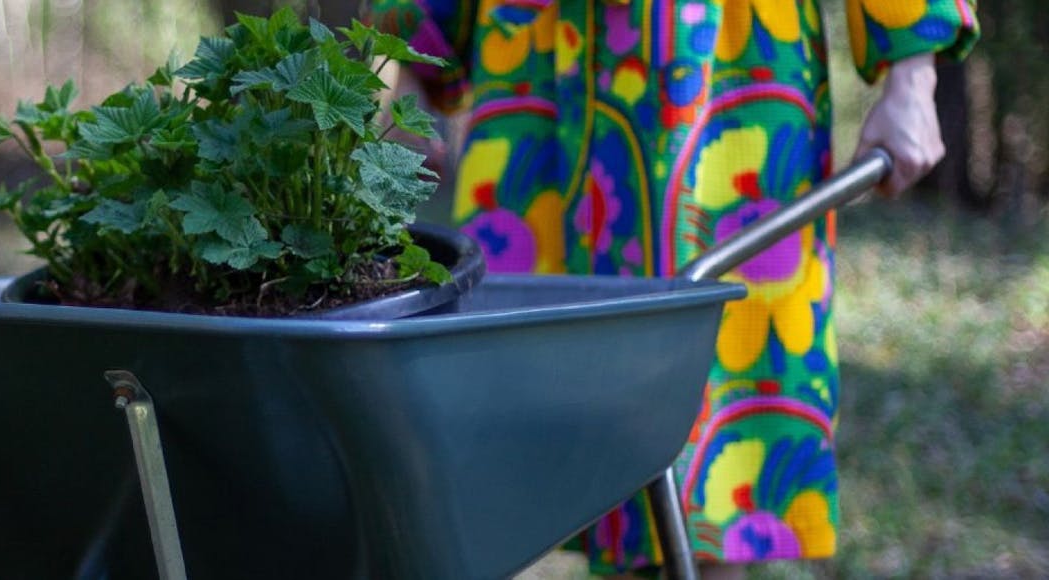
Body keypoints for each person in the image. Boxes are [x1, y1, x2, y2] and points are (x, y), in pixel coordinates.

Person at [368, 0, 978, 577]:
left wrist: (913, 74)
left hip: (730, 76)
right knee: (550, 407)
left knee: (728, 419)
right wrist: (415, 59)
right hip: (541, 61)